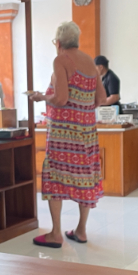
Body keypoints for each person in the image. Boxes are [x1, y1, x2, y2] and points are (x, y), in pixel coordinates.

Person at [30, 22, 106, 247]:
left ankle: (55, 234)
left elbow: (61, 98)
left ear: (59, 42)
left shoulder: (61, 60)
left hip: (64, 134)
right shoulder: (90, 62)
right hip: (87, 133)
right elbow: (100, 98)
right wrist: (82, 107)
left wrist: (42, 97)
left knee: (55, 176)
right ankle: (81, 230)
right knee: (85, 176)